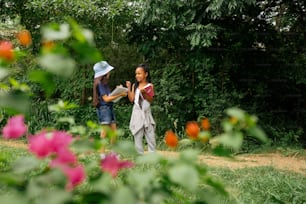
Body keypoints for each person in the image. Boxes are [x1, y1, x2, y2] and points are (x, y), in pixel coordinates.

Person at [92, 61, 127, 144]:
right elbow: (106, 99)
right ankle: (101, 154)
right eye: (108, 71)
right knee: (104, 132)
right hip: (104, 109)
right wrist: (120, 94)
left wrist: (118, 91)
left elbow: (109, 96)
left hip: (109, 108)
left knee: (114, 131)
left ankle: (113, 153)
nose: (109, 72)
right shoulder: (99, 84)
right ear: (104, 73)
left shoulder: (104, 84)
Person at [126, 63, 156, 154]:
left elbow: (151, 100)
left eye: (139, 73)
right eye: (136, 74)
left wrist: (144, 93)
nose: (137, 76)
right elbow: (131, 99)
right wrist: (128, 88)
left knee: (150, 135)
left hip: (146, 112)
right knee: (137, 135)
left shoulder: (150, 86)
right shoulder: (135, 86)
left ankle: (152, 155)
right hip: (137, 112)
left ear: (146, 74)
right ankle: (140, 156)